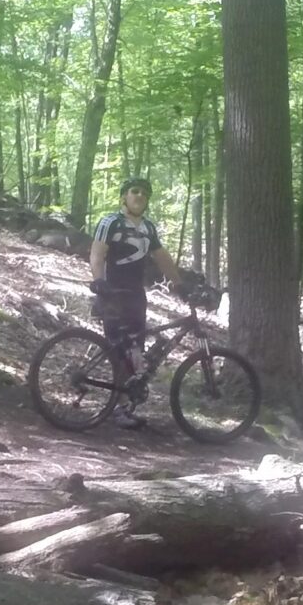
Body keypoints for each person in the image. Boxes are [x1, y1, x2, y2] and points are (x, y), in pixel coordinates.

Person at [89, 178, 177, 424]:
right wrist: (99, 281)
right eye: (134, 192)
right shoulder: (110, 222)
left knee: (135, 349)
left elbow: (162, 258)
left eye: (144, 194)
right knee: (118, 348)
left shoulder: (148, 228)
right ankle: (118, 409)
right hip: (113, 292)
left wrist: (180, 283)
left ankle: (125, 408)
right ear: (123, 197)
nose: (139, 196)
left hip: (137, 295)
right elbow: (97, 253)